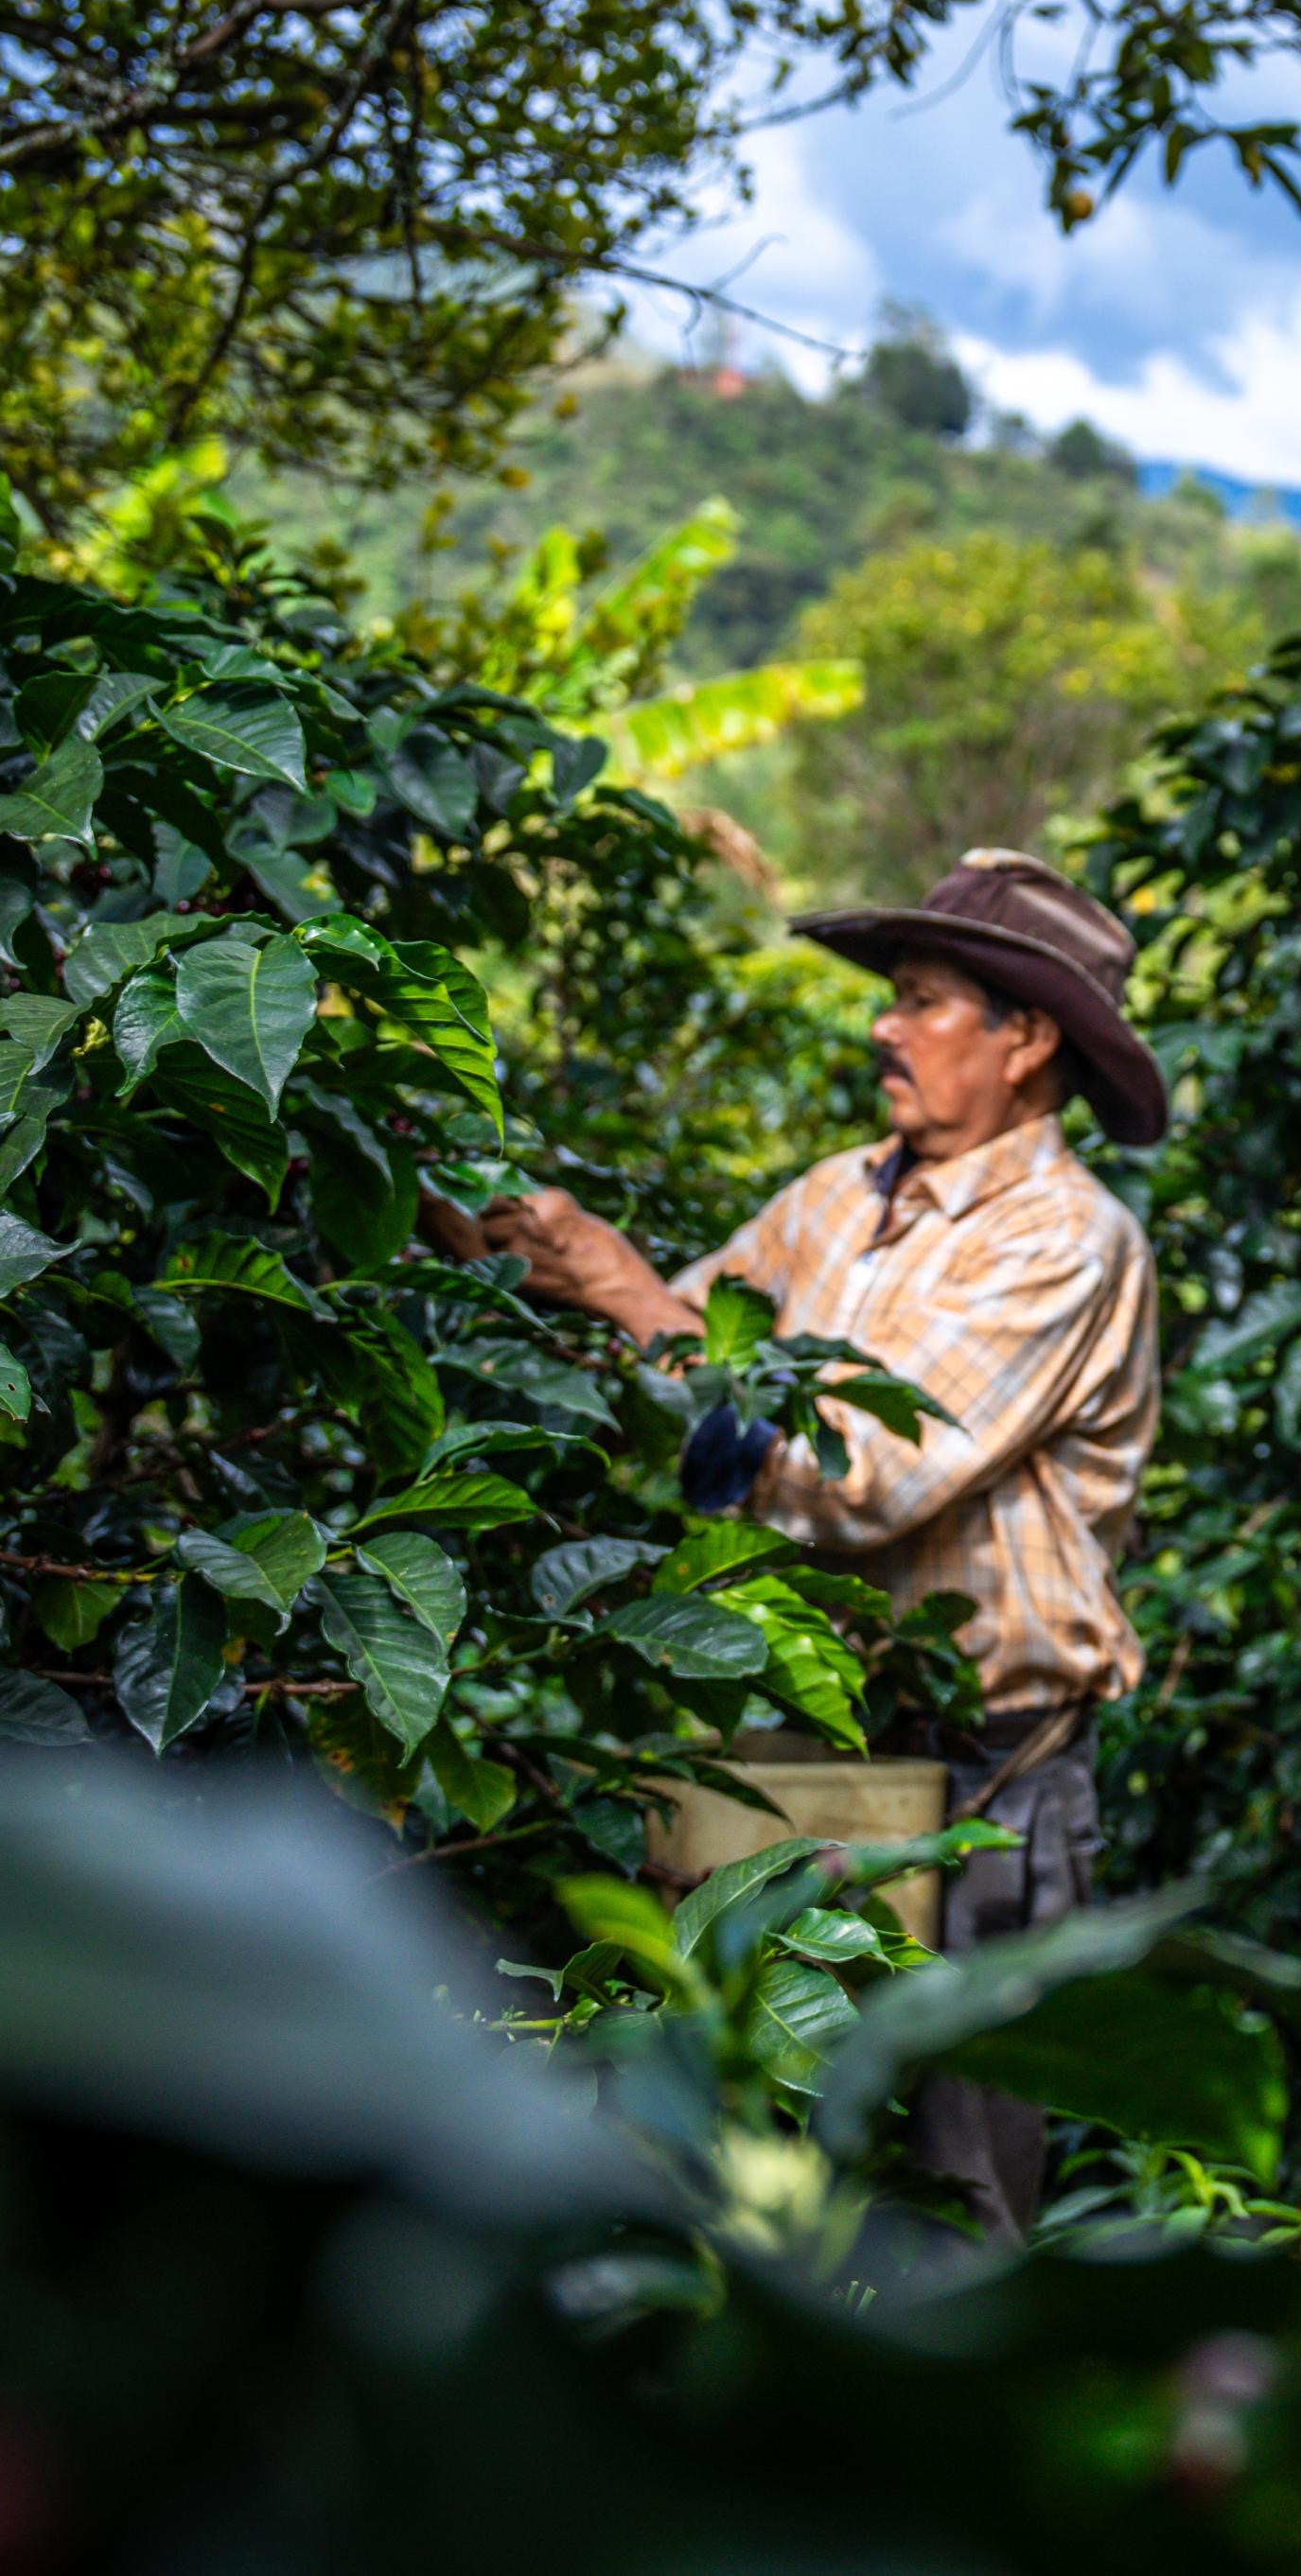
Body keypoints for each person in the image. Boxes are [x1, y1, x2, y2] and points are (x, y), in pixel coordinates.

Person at [425, 850, 1163, 2239]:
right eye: (891, 996)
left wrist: (637, 1297)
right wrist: (522, 1250)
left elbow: (870, 1469)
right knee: (744, 2148)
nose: (884, 1026)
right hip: (799, 1740)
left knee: (954, 2177)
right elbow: (692, 1346)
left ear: (1027, 1038)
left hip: (983, 1758)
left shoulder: (1068, 1240)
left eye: (923, 998)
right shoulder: (839, 1194)